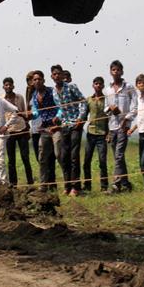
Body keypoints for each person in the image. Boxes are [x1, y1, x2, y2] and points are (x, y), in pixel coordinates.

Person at [51, 64, 87, 197]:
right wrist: (57, 117)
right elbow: (61, 108)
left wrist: (80, 118)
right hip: (65, 126)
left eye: (59, 73)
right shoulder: (54, 92)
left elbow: (83, 101)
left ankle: (76, 187)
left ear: (62, 75)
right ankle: (67, 185)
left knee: (73, 156)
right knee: (63, 156)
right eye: (54, 74)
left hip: (76, 126)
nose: (57, 76)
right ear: (52, 77)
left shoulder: (71, 87)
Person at [104, 60, 137, 192]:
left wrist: (126, 119)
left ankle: (116, 184)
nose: (116, 72)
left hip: (124, 126)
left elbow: (135, 107)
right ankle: (126, 183)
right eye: (113, 70)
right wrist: (111, 109)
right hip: (112, 126)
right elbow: (105, 108)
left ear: (122, 71)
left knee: (118, 154)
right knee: (118, 156)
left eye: (118, 70)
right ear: (110, 72)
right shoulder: (108, 89)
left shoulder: (129, 87)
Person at [29, 70, 61, 192]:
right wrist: (30, 116)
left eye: (39, 79)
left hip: (56, 126)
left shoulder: (52, 91)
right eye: (35, 80)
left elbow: (60, 106)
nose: (37, 81)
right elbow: (37, 112)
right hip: (44, 128)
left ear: (43, 80)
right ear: (32, 82)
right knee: (42, 157)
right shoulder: (34, 96)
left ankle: (70, 183)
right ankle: (43, 185)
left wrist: (58, 116)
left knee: (58, 154)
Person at [3, 77, 33, 186]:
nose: (8, 87)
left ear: (13, 86)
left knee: (25, 157)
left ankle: (30, 181)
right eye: (6, 85)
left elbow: (24, 113)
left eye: (10, 85)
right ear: (3, 87)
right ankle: (13, 183)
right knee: (11, 159)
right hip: (9, 131)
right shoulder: (1, 99)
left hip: (21, 130)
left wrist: (27, 127)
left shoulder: (19, 97)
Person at [83, 76, 109, 192]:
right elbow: (84, 115)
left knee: (102, 161)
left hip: (102, 133)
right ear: (93, 85)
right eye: (96, 83)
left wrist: (109, 133)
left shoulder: (107, 100)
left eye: (100, 84)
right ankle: (87, 186)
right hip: (91, 133)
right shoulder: (89, 100)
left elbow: (110, 118)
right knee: (86, 161)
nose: (98, 85)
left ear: (103, 86)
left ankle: (104, 187)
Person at [25, 71, 42, 164]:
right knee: (38, 156)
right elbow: (28, 111)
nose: (31, 82)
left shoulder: (43, 92)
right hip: (35, 128)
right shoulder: (29, 94)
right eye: (29, 80)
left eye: (33, 79)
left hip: (45, 127)